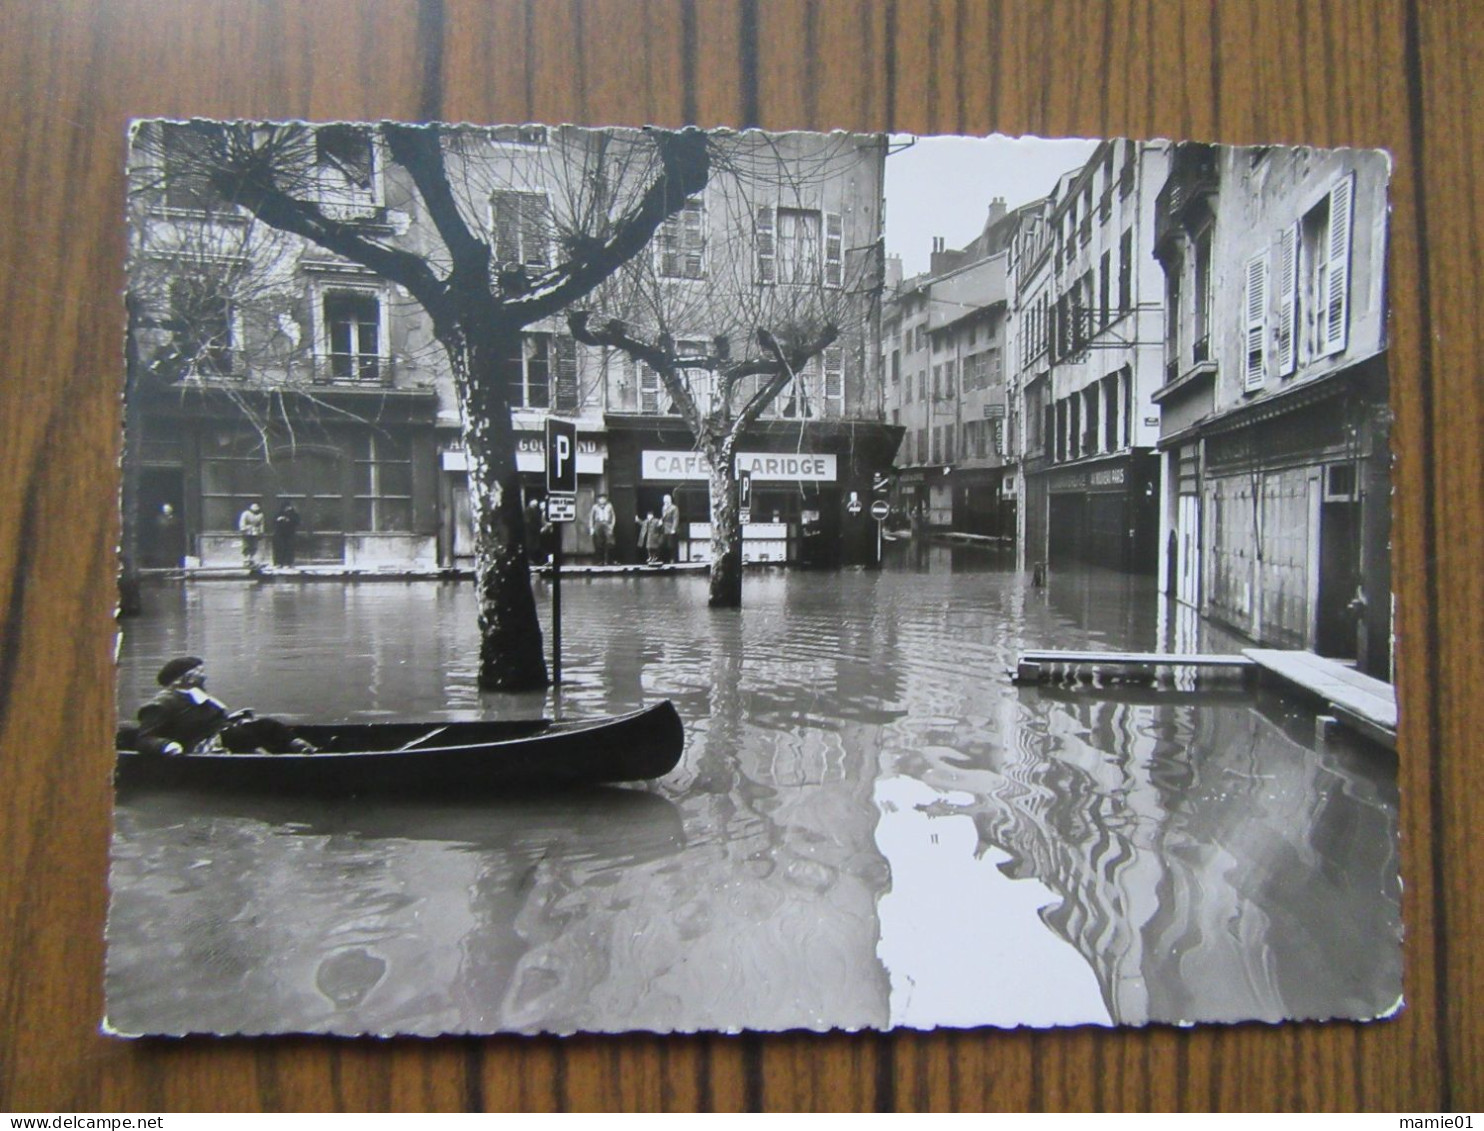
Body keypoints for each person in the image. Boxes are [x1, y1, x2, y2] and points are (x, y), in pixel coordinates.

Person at [135, 656, 315, 756]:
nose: (204, 677)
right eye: (200, 673)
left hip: (224, 734)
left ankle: (302, 748)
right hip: (198, 745)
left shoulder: (199, 695)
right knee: (237, 735)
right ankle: (267, 757)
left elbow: (215, 721)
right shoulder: (162, 704)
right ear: (185, 678)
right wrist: (167, 746)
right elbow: (144, 739)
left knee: (266, 725)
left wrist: (235, 718)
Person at [271, 500, 301, 567]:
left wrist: (289, 520)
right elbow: (273, 522)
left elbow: (297, 522)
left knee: (289, 549)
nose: (288, 508)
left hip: (290, 534)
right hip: (280, 534)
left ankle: (288, 563)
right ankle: (279, 562)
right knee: (279, 549)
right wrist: (279, 520)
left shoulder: (294, 514)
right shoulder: (279, 513)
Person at [590, 493, 616, 565]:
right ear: (598, 499)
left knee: (610, 543)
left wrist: (612, 526)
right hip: (598, 524)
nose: (602, 500)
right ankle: (600, 561)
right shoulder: (595, 507)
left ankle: (610, 560)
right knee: (599, 543)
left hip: (607, 524)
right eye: (601, 498)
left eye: (604, 498)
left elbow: (613, 516)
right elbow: (591, 518)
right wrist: (591, 528)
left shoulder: (609, 506)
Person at [238, 502, 265, 568]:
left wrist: (261, 532)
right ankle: (246, 559)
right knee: (246, 545)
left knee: (254, 546)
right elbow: (242, 522)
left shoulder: (260, 515)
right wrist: (243, 529)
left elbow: (262, 524)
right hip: (247, 532)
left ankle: (251, 558)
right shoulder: (246, 513)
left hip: (255, 532)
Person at [660, 494, 680, 563]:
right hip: (664, 528)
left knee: (671, 545)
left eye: (667, 501)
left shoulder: (674, 508)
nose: (665, 502)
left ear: (670, 500)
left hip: (671, 528)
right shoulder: (663, 508)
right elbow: (663, 518)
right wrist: (661, 521)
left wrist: (673, 529)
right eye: (664, 501)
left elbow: (675, 519)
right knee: (662, 544)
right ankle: (665, 559)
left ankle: (672, 559)